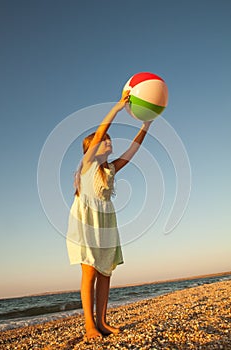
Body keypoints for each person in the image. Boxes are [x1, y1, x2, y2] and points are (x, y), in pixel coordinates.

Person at [66, 90, 152, 341]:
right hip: (86, 223)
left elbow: (133, 150)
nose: (109, 141)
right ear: (92, 148)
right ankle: (89, 326)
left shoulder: (110, 168)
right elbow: (102, 130)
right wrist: (116, 108)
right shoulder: (89, 164)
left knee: (106, 272)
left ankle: (102, 322)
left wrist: (146, 125)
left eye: (109, 140)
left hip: (105, 223)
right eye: (104, 140)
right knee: (89, 273)